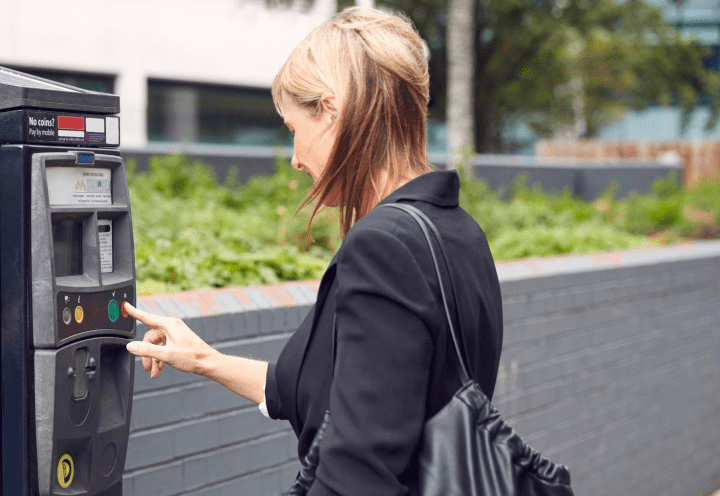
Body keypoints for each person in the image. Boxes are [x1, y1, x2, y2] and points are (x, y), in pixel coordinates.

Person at [122, 6, 503, 495]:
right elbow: (330, 391)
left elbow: (358, 470)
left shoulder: (384, 247)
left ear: (332, 110)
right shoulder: (461, 232)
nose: (296, 159)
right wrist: (203, 359)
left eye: (294, 130)